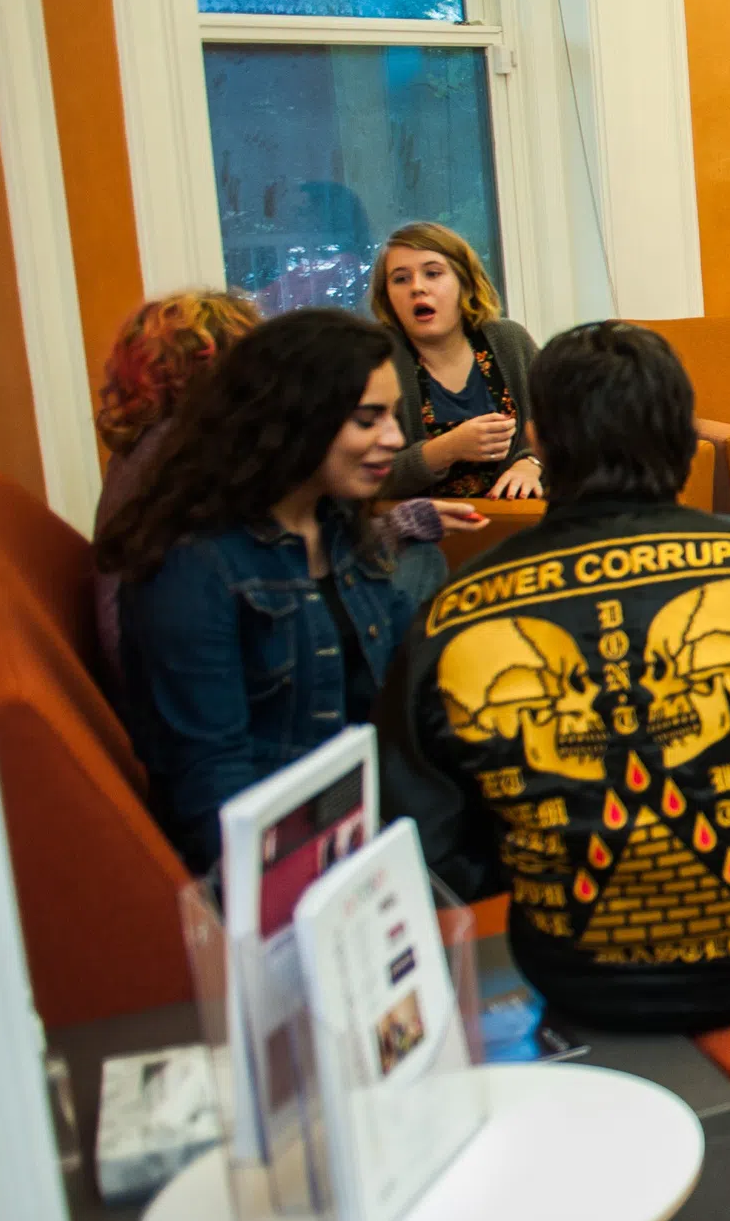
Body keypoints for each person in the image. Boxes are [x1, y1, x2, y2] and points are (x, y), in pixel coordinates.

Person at [375, 322, 730, 1033]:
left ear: (539, 441)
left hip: (574, 971)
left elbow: (428, 843)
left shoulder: (452, 612)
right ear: (682, 438)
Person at [95, 310, 428, 874]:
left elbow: (404, 684)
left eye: (393, 416)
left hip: (368, 819)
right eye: (368, 420)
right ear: (295, 422)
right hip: (287, 864)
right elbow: (213, 789)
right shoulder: (193, 566)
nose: (395, 439)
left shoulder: (338, 522)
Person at [91, 291, 478, 682]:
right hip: (177, 660)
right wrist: (397, 526)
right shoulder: (194, 451)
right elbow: (267, 561)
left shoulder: (146, 444)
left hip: (154, 651)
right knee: (420, 562)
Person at [370, 221, 543, 502]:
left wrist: (532, 463)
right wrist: (444, 450)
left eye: (433, 274)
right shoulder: (377, 359)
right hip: (419, 536)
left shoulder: (509, 341)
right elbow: (358, 480)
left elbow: (568, 434)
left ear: (465, 282)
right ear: (387, 296)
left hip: (516, 523)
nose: (417, 288)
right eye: (401, 279)